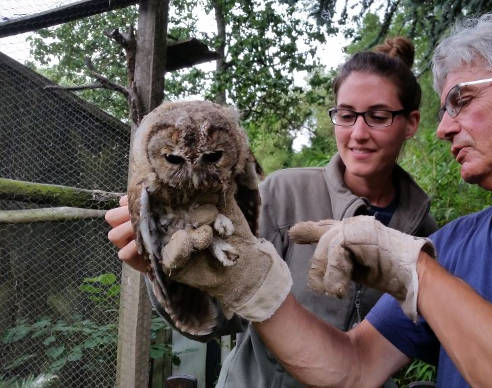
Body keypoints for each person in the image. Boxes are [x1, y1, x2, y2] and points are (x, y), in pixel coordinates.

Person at [123, 9, 492, 387]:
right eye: (444, 108)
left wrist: (414, 269)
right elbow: (353, 366)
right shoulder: (457, 242)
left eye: (462, 101)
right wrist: (253, 286)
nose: (445, 128)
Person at [105, 37, 437, 387]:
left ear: (411, 123)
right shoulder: (284, 193)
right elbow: (220, 318)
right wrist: (168, 273)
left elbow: (414, 341)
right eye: (346, 114)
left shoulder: (421, 228)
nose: (358, 133)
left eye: (379, 117)